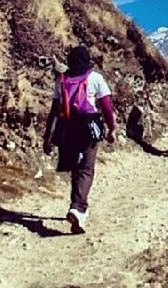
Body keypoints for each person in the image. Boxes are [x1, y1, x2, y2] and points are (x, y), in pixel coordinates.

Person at [43, 45, 117, 234]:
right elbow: (107, 107)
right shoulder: (95, 78)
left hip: (67, 128)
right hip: (87, 127)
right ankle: (78, 208)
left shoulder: (62, 80)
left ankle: (77, 207)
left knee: (76, 168)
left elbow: (54, 111)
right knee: (86, 169)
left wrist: (48, 138)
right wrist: (112, 129)